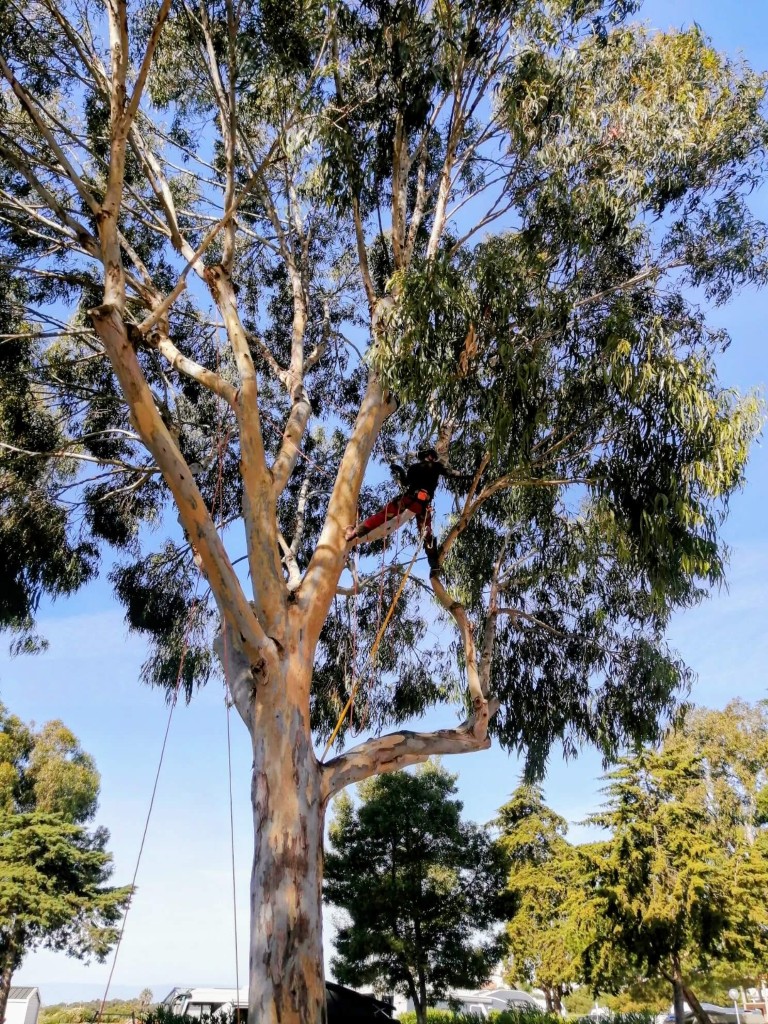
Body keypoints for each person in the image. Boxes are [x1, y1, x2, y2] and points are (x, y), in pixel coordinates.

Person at [344, 448, 469, 561]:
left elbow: (405, 482)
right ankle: (433, 562)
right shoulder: (436, 466)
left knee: (383, 516)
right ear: (433, 457)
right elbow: (452, 473)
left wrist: (398, 469)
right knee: (426, 531)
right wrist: (469, 476)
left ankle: (354, 533)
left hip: (407, 500)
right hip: (422, 506)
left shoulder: (414, 467)